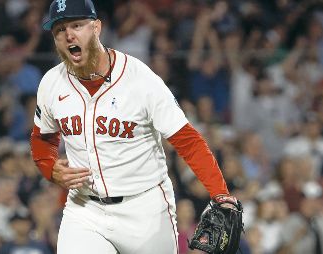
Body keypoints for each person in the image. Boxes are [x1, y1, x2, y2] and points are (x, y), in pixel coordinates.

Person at [30, 0, 238, 253]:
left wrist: (221, 194)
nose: (68, 35)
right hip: (85, 210)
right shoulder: (52, 83)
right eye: (59, 30)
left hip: (146, 209)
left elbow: (188, 141)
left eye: (76, 25)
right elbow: (43, 139)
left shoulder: (140, 79)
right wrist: (49, 170)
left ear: (96, 27)